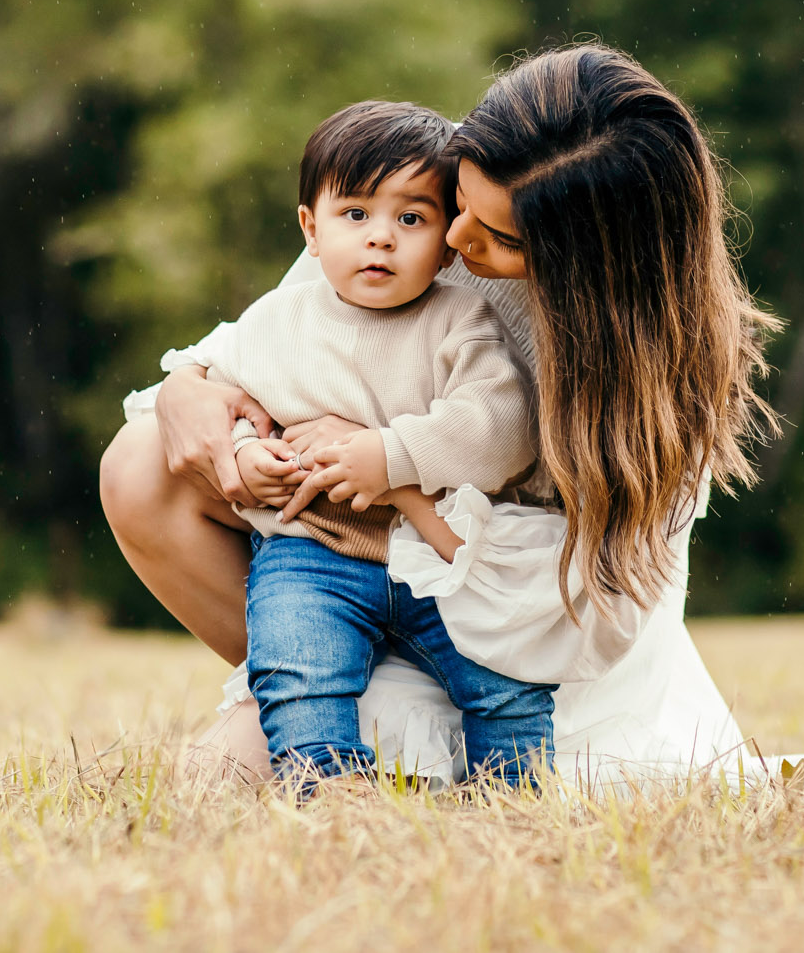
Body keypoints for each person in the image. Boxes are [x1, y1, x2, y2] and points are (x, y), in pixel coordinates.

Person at [102, 44, 804, 789]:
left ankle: (442, 746)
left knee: (227, 777)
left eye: (498, 238)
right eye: (459, 203)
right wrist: (190, 388)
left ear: (589, 270)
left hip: (523, 629)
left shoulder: (642, 384)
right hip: (360, 571)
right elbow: (288, 336)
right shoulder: (412, 195)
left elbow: (566, 594)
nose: (450, 241)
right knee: (138, 460)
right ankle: (314, 676)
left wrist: (394, 475)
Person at [166, 99, 553, 785]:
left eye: (411, 218)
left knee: (503, 671)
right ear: (311, 230)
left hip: (434, 551)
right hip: (313, 549)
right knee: (296, 663)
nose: (381, 238)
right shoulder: (276, 320)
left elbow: (500, 427)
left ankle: (513, 786)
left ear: (446, 240)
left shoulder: (462, 319)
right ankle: (326, 782)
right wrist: (254, 457)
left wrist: (391, 455)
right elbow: (230, 402)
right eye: (356, 215)